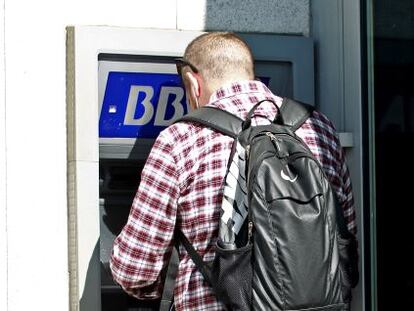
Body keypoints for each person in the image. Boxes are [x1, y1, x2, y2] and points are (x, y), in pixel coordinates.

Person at [110, 32, 357, 311]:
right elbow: (345, 243)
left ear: (192, 82)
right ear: (250, 73)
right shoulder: (319, 128)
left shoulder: (180, 140)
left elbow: (136, 271)